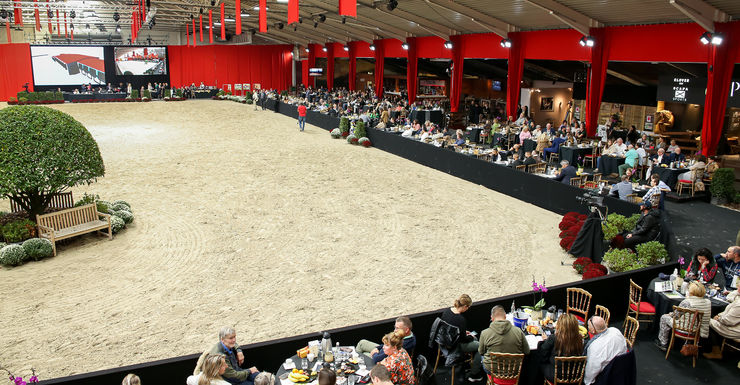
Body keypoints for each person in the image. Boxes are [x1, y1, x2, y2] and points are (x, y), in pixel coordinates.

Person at [654, 281, 712, 351]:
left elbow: (676, 316)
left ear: (691, 292)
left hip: (684, 329)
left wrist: (669, 314)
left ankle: (663, 343)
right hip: (698, 330)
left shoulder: (687, 302)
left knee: (664, 317)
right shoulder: (708, 302)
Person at [439, 294, 483, 381]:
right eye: (468, 307)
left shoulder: (447, 311)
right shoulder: (460, 320)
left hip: (444, 342)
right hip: (455, 347)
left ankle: (471, 364)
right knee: (481, 346)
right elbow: (463, 339)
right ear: (465, 306)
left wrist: (463, 333)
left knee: (475, 340)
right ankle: (474, 374)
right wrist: (470, 336)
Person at [195, 327, 260, 385]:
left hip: (237, 372)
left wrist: (239, 350)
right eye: (231, 338)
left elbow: (234, 343)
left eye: (234, 337)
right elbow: (233, 377)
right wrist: (249, 371)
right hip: (229, 380)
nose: (234, 340)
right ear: (222, 339)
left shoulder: (226, 344)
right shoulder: (220, 356)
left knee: (261, 377)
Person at [479, 305, 529, 375]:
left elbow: (481, 352)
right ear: (505, 316)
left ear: (492, 318)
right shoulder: (518, 331)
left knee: (482, 355)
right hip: (514, 370)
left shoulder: (485, 333)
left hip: (492, 370)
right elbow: (527, 351)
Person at [538, 314, 583, 384]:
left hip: (555, 376)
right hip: (574, 375)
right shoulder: (580, 339)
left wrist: (545, 341)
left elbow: (543, 354)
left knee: (539, 361)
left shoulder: (554, 338)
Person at [583, 316, 628, 385]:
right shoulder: (615, 330)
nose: (587, 327)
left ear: (593, 331)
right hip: (622, 369)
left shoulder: (595, 347)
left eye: (588, 326)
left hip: (606, 375)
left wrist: (587, 382)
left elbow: (591, 370)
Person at [702, 286, 740, 359]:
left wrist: (719, 318)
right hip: (732, 326)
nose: (738, 287)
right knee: (711, 318)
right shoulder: (738, 299)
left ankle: (716, 352)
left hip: (733, 330)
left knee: (706, 320)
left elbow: (728, 321)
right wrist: (719, 316)